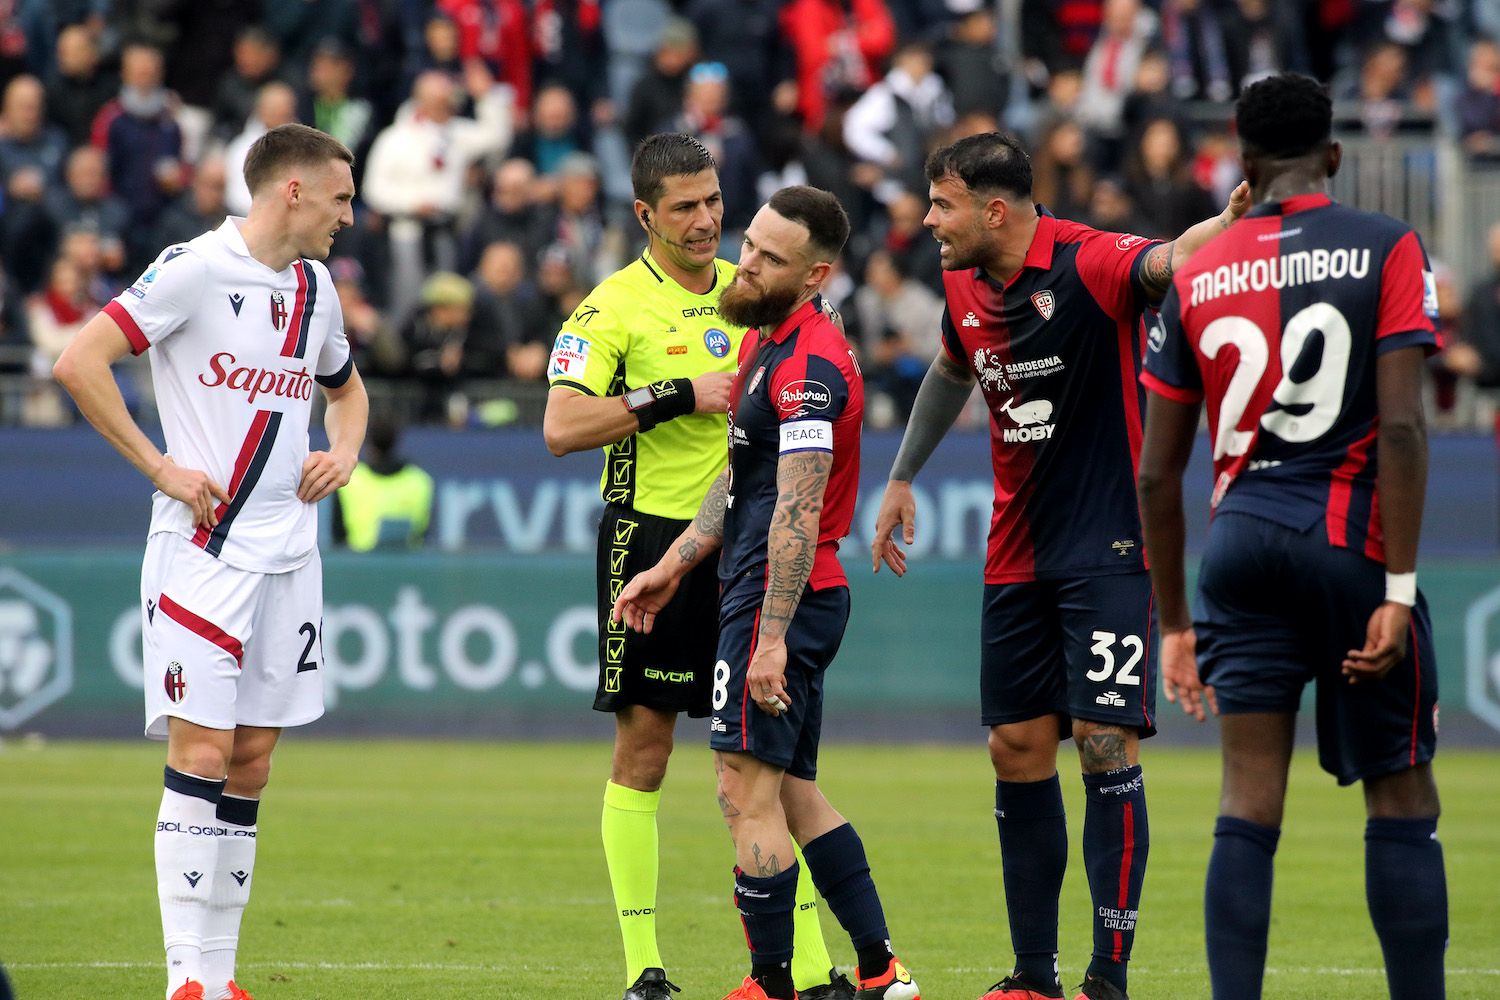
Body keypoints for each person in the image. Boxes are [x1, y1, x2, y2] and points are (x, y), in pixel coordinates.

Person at [869, 131, 1248, 1000]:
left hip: (1110, 547)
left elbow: (1168, 260)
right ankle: (1030, 978)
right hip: (1015, 555)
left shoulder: (1088, 262)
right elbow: (949, 369)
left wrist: (1228, 222)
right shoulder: (963, 284)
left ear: (993, 209)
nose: (928, 221)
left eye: (942, 205)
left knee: (1104, 745)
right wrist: (901, 475)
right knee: (1015, 748)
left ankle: (1106, 977)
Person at [1136, 72, 1447, 1000]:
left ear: (1243, 160)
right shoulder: (1387, 245)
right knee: (1400, 795)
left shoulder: (1199, 274)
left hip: (1238, 550)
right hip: (1348, 543)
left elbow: (1155, 473)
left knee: (1247, 805)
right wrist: (1396, 590)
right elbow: (1401, 427)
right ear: (1336, 156)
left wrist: (1176, 625)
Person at [52, 123, 368, 1000]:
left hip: (288, 551)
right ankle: (183, 979)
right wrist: (159, 467)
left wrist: (343, 452)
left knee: (253, 760)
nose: (351, 214)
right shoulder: (192, 267)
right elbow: (79, 361)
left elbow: (348, 392)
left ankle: (223, 981)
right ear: (293, 190)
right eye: (341, 197)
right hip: (202, 548)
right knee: (200, 750)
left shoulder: (316, 290)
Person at [541, 134, 850, 1000]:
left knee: (765, 766)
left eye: (714, 200)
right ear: (645, 213)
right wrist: (673, 395)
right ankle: (644, 967)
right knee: (644, 750)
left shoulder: (756, 290)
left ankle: (818, 971)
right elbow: (561, 428)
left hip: (747, 546)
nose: (708, 220)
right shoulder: (611, 309)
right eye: (684, 206)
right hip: (649, 541)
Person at [613, 185, 918, 1000]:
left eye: (768, 259)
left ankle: (772, 984)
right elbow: (741, 478)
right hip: (774, 589)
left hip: (780, 597)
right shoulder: (770, 343)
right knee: (792, 792)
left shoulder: (810, 365)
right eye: (749, 245)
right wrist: (676, 562)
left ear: (815, 275)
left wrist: (770, 636)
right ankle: (884, 971)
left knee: (739, 790)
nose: (743, 263)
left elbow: (798, 503)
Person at [332, 412, 434, 551]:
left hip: (360, 567)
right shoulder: (420, 480)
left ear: (369, 443)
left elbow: (338, 536)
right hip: (407, 567)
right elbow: (424, 531)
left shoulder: (349, 480)